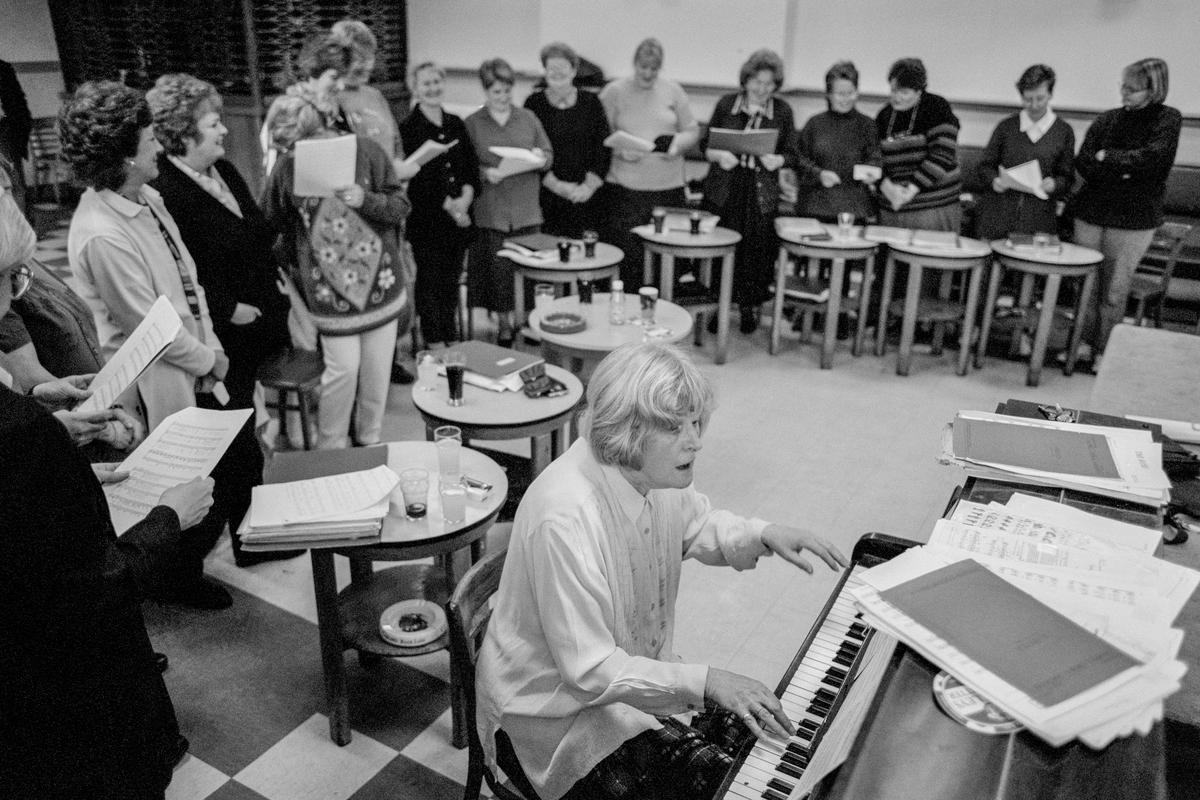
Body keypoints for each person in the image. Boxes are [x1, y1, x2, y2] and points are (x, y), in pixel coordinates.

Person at [476, 342, 848, 800]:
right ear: (627, 432)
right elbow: (589, 671)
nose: (696, 440)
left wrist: (763, 532)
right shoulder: (566, 516)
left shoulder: (651, 474)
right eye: (674, 427)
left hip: (618, 682)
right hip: (547, 711)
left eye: (695, 422)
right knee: (708, 779)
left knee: (760, 740)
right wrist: (706, 680)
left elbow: (694, 525)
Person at [0, 182, 215, 800]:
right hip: (64, 694)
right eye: (13, 278)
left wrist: (54, 437)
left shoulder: (25, 437)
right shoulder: (18, 438)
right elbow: (93, 590)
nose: (19, 292)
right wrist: (170, 516)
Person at [60, 80, 234, 609]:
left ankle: (183, 566)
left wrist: (211, 343)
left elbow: (187, 284)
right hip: (158, 377)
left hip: (193, 355)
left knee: (227, 466)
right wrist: (210, 359)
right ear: (123, 156)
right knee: (180, 481)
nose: (160, 145)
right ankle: (176, 580)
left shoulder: (147, 196)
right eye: (149, 137)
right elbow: (148, 328)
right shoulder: (103, 234)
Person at [146, 73, 299, 568]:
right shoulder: (167, 189)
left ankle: (250, 537)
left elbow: (253, 230)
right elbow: (182, 270)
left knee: (245, 432)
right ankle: (238, 545)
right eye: (214, 123)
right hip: (224, 330)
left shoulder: (224, 170)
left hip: (257, 319)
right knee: (234, 441)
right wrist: (228, 308)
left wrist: (296, 205)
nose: (224, 131)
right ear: (185, 131)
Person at [262, 84, 410, 450]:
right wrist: (295, 270)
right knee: (342, 372)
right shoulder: (287, 166)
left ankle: (370, 439)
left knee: (376, 376)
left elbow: (400, 205)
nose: (297, 154)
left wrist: (367, 200)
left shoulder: (368, 151)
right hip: (327, 295)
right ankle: (332, 448)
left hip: (382, 285)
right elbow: (269, 223)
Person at [1070, 57, 1181, 367]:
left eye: (1132, 89)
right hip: (1091, 212)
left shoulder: (1167, 119)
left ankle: (1103, 352)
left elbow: (1153, 161)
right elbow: (1085, 162)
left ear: (1154, 89)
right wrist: (1121, 168)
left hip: (1133, 219)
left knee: (1114, 290)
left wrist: (1110, 158)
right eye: (1123, 86)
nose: (1124, 94)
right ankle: (1079, 343)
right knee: (1085, 285)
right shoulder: (1107, 120)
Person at [701, 48, 799, 333]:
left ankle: (748, 307)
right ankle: (716, 306)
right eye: (757, 82)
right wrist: (718, 156)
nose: (762, 89)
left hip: (760, 191)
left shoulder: (782, 110)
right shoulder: (726, 104)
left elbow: (792, 152)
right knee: (721, 248)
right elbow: (705, 144)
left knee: (755, 252)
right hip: (724, 189)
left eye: (769, 84)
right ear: (745, 81)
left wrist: (778, 160)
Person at [464, 57, 553, 346]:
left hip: (526, 208)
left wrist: (538, 159)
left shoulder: (528, 118)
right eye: (496, 92)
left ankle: (527, 321)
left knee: (529, 269)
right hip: (492, 209)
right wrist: (483, 172)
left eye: (507, 91)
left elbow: (548, 154)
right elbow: (465, 165)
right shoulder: (473, 124)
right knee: (498, 271)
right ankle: (503, 323)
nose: (502, 98)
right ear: (485, 91)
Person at [600, 38, 700, 287]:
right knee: (629, 257)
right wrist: (620, 150)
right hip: (626, 189)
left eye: (654, 69)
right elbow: (599, 134)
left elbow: (692, 130)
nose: (648, 73)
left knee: (664, 260)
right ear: (634, 64)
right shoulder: (614, 91)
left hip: (667, 187)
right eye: (643, 67)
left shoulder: (673, 91)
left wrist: (678, 145)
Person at [400, 60, 478, 347]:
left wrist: (465, 199)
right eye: (426, 83)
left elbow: (470, 167)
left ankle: (450, 335)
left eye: (436, 82)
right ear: (415, 88)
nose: (433, 88)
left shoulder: (456, 123)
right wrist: (450, 205)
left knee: (451, 279)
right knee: (430, 281)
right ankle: (433, 340)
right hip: (427, 219)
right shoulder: (407, 128)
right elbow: (414, 178)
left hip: (460, 218)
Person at [975, 64, 1075, 241]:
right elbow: (985, 166)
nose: (1034, 105)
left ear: (1050, 94)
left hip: (1038, 219)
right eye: (1028, 99)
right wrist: (994, 181)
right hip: (999, 214)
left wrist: (1054, 184)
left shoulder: (1063, 131)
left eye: (1040, 98)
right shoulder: (1006, 127)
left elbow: (1066, 177)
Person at [524, 41, 611, 238]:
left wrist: (588, 187)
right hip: (547, 195)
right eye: (551, 68)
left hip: (588, 195)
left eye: (562, 67)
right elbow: (528, 150)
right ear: (544, 71)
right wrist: (556, 185)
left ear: (574, 70)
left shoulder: (591, 103)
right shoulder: (533, 104)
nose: (556, 72)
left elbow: (603, 148)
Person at [874, 58, 962, 231]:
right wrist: (887, 188)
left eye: (904, 92)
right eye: (893, 90)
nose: (896, 97)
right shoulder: (884, 115)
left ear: (919, 91)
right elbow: (874, 157)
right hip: (894, 207)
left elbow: (942, 154)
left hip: (934, 208)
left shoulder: (937, 108)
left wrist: (911, 190)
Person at [794, 60, 881, 224]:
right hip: (814, 207)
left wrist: (872, 172)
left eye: (851, 92)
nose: (846, 99)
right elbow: (798, 159)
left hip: (855, 209)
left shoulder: (868, 125)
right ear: (828, 94)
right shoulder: (814, 124)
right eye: (840, 93)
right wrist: (818, 174)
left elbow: (875, 158)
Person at [0, 58, 32, 213]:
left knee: (15, 182)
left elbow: (18, 102)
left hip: (6, 131)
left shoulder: (3, 68)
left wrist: (21, 131)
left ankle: (23, 229)